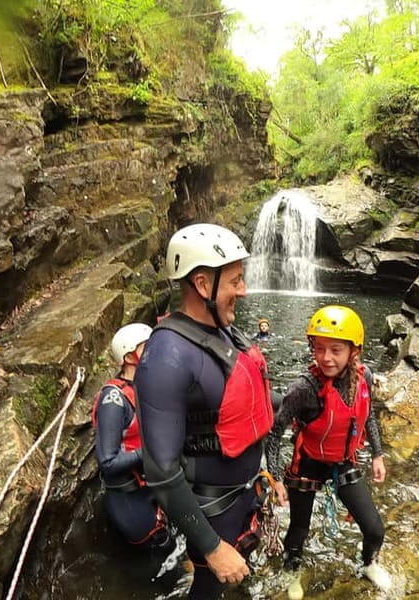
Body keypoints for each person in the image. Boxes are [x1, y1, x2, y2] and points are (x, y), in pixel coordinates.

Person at [134, 223, 274, 599]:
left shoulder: (224, 332)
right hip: (213, 513)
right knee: (208, 589)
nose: (243, 291)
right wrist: (212, 548)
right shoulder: (166, 357)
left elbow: (240, 412)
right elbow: (161, 471)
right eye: (235, 281)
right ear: (201, 284)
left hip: (245, 493)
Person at [266, 305, 391, 600]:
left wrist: (377, 453)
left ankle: (370, 564)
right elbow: (275, 431)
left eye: (335, 350)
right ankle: (292, 569)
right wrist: (275, 477)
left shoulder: (365, 377)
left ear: (353, 351)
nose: (325, 358)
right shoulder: (304, 388)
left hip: (341, 461)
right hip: (307, 463)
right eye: (319, 348)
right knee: (299, 528)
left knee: (374, 530)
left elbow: (367, 414)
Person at [92, 323, 172, 551]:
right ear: (129, 356)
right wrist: (149, 452)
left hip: (151, 487)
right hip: (129, 498)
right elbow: (107, 461)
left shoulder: (146, 386)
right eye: (148, 346)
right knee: (154, 552)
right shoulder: (114, 401)